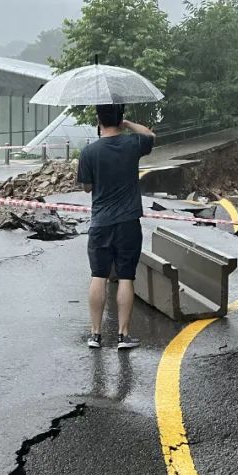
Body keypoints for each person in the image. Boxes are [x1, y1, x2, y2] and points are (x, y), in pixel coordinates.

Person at [76, 103, 156, 350]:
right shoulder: (133, 144)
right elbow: (151, 136)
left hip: (101, 223)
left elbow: (86, 187)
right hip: (128, 222)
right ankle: (123, 335)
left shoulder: (89, 152)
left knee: (98, 275)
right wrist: (128, 123)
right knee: (125, 277)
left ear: (99, 120)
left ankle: (95, 335)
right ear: (120, 119)